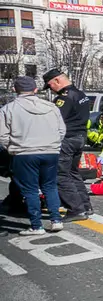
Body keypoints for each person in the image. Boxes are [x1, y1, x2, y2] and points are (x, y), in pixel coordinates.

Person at [0, 76, 66, 235]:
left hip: (24, 153)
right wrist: (54, 145)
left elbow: (2, 135)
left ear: (15, 90)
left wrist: (12, 149)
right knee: (50, 186)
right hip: (50, 152)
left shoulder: (8, 109)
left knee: (30, 190)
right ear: (35, 89)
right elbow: (62, 130)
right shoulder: (51, 107)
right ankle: (56, 220)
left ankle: (36, 226)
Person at [43, 68, 92, 221]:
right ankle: (85, 206)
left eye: (50, 85)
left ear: (57, 81)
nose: (50, 89)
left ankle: (76, 209)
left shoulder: (64, 98)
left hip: (67, 139)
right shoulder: (80, 94)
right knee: (73, 172)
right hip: (80, 137)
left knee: (60, 175)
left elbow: (54, 119)